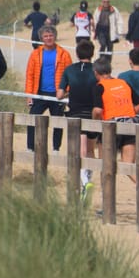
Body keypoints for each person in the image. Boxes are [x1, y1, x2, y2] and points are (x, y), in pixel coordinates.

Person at [57, 40, 100, 194]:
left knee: (80, 149)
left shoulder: (69, 70)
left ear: (77, 53)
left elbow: (59, 95)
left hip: (75, 112)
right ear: (92, 54)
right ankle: (88, 178)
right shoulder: (97, 70)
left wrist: (71, 91)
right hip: (93, 113)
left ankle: (84, 182)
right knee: (90, 149)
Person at [92, 56, 139, 175]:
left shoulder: (99, 86)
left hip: (111, 126)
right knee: (128, 165)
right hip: (130, 124)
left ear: (96, 72)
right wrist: (128, 113)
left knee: (105, 164)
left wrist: (94, 123)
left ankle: (106, 192)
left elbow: (98, 110)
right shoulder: (123, 83)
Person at [24, 24, 71, 152]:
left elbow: (69, 75)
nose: (49, 38)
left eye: (51, 35)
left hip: (57, 94)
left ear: (55, 37)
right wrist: (29, 95)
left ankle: (56, 148)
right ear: (41, 38)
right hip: (39, 92)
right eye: (46, 36)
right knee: (32, 119)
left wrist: (66, 93)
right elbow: (30, 75)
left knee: (58, 122)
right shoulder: (35, 54)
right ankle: (30, 147)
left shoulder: (64, 54)